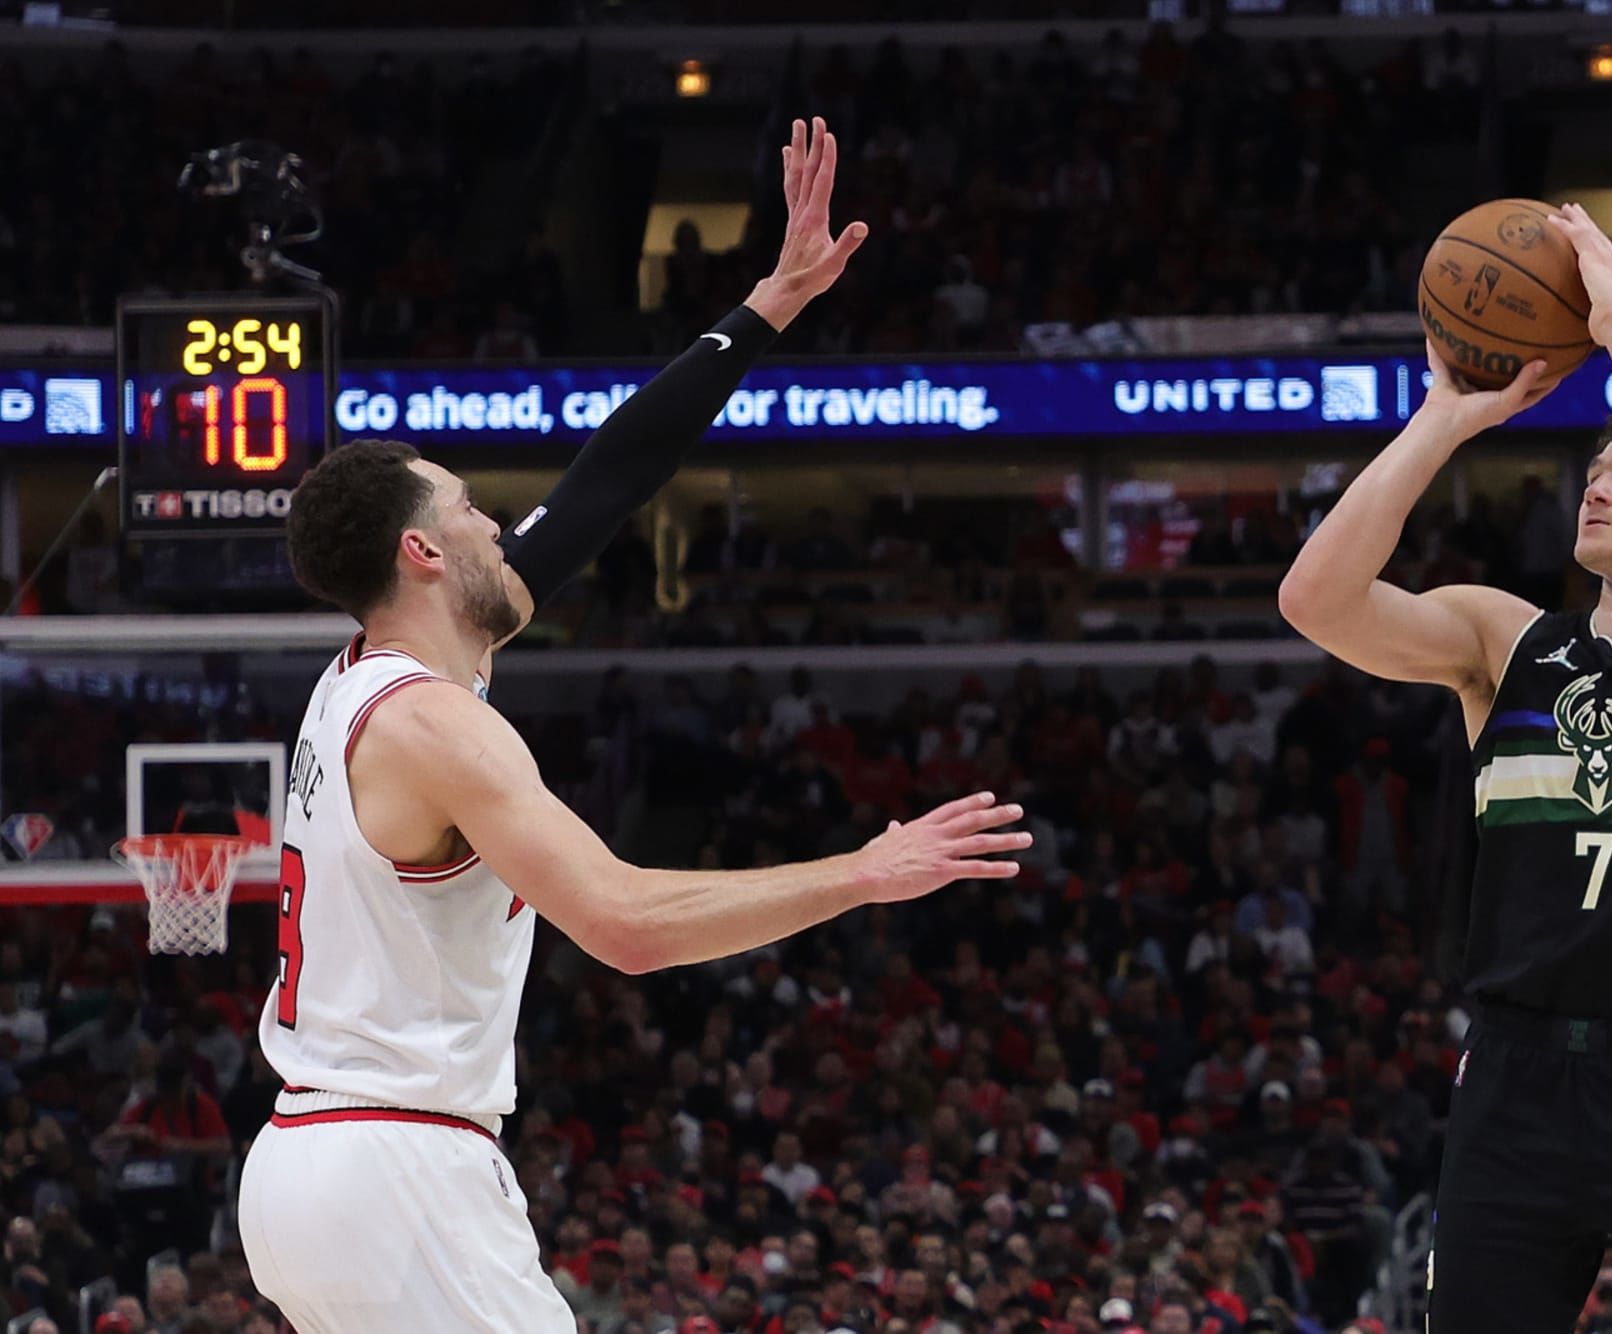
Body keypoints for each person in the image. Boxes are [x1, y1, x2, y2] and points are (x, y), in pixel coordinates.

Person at [237, 118, 1032, 1334]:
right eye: (468, 507)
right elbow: (623, 923)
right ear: (422, 550)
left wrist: (765, 305)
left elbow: (609, 477)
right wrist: (862, 873)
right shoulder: (435, 722)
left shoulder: (366, 671)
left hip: (311, 1161)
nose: (500, 521)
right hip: (392, 1166)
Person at [1280, 204, 1612, 1333]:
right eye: (1593, 468)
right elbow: (1312, 600)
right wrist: (1439, 418)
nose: (1596, 484)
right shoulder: (1502, 638)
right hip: (1514, 1081)